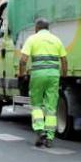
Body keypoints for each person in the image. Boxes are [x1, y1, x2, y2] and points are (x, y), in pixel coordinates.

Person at [18, 17, 68, 148]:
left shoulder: (32, 39)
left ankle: (40, 131)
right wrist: (64, 75)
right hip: (53, 76)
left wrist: (22, 74)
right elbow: (64, 60)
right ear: (48, 28)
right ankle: (50, 137)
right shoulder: (56, 40)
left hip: (38, 76)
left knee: (37, 105)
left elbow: (23, 60)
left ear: (36, 28)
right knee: (51, 107)